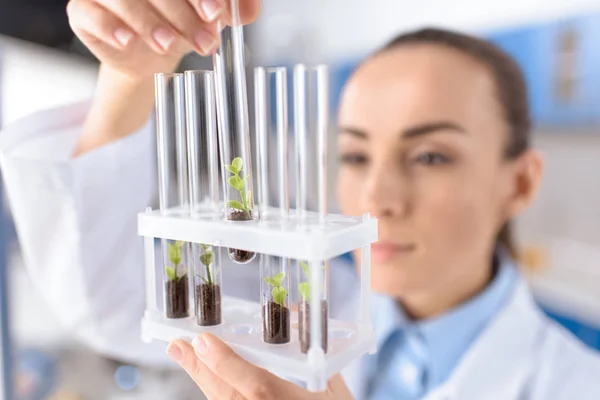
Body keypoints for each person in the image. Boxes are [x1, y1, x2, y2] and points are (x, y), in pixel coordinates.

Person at [1, 1, 600, 399]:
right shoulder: (295, 311)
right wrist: (133, 75)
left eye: (431, 157)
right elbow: (107, 295)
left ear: (519, 183)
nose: (377, 198)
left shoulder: (575, 383)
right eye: (357, 155)